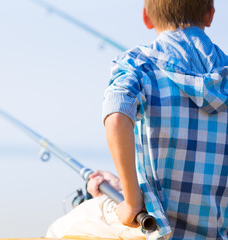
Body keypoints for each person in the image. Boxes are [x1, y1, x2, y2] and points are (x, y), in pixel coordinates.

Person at [46, 0, 228, 239]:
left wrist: (131, 200)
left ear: (146, 17)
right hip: (217, 232)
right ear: (210, 15)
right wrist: (122, 184)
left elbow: (116, 117)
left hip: (156, 228)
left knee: (59, 230)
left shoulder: (138, 64)